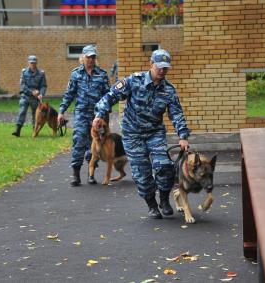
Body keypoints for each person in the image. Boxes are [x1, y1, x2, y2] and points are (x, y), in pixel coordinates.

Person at [93, 49, 190, 219]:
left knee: (164, 166)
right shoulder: (133, 81)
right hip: (133, 135)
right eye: (159, 67)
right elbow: (110, 96)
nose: (162, 71)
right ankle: (152, 204)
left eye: (165, 68)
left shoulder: (169, 90)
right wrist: (100, 114)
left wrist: (182, 136)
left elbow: (176, 113)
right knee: (142, 173)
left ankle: (164, 200)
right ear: (151, 64)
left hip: (155, 133)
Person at [57, 45, 110, 187]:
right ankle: (76, 174)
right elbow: (69, 95)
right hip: (81, 114)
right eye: (88, 57)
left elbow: (108, 96)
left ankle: (91, 174)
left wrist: (105, 115)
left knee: (94, 145)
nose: (91, 60)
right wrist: (61, 111)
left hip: (97, 116)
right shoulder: (76, 74)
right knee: (79, 142)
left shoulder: (102, 74)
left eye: (93, 57)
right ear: (82, 57)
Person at [12, 55, 47, 137]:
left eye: (34, 63)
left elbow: (43, 85)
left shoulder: (41, 73)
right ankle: (18, 131)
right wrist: (32, 92)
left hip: (35, 98)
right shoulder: (24, 72)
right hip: (25, 96)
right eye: (31, 63)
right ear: (28, 63)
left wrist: (41, 94)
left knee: (35, 115)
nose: (33, 64)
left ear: (36, 63)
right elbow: (22, 85)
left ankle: (34, 132)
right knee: (22, 112)